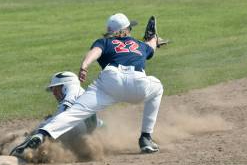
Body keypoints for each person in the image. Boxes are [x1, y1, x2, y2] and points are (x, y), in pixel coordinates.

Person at [12, 13, 167, 154]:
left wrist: (84, 65)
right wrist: (153, 38)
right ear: (125, 30)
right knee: (157, 87)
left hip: (110, 82)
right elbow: (151, 45)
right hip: (138, 84)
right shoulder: (140, 45)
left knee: (75, 112)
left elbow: (95, 53)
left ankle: (42, 134)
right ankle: (146, 138)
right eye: (130, 28)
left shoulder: (105, 42)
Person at [10, 71, 103, 156]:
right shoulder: (81, 93)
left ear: (65, 85)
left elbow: (64, 111)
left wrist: (46, 127)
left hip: (77, 128)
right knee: (51, 122)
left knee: (45, 125)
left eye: (55, 88)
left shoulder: (72, 91)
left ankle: (26, 148)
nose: (53, 93)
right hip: (85, 129)